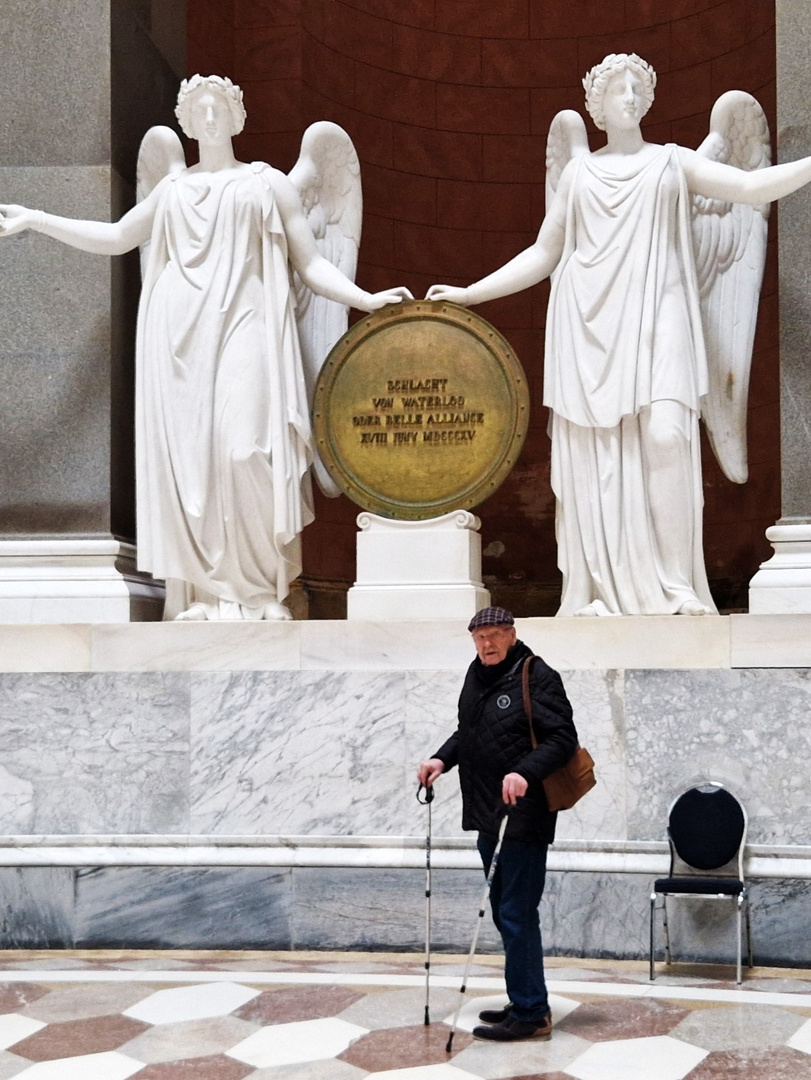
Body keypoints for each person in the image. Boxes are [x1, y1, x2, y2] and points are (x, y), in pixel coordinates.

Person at [0, 75, 410, 621]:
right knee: (193, 467)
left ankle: (260, 590)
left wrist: (365, 300)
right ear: (187, 124)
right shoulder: (172, 190)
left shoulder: (269, 185)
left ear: (237, 118)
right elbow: (120, 237)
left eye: (219, 108)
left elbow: (311, 265)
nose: (210, 118)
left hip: (248, 323)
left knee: (244, 451)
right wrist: (39, 220)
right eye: (200, 111)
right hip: (180, 335)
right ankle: (204, 593)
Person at [427, 54, 811, 617]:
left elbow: (752, 188)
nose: (629, 96)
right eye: (617, 89)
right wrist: (470, 293)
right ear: (597, 105)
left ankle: (677, 586)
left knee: (667, 437)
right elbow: (543, 254)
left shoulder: (674, 163)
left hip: (663, 314)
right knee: (599, 457)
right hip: (589, 325)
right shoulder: (579, 173)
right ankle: (605, 586)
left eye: (638, 88)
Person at [417, 605, 578, 1042]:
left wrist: (525, 772)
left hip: (524, 816)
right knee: (506, 915)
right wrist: (441, 758)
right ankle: (522, 997)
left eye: (494, 635)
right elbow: (468, 732)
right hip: (488, 815)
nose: (486, 644)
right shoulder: (476, 674)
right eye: (478, 637)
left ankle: (531, 1014)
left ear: (511, 634)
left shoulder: (537, 675)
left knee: (516, 912)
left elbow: (563, 738)